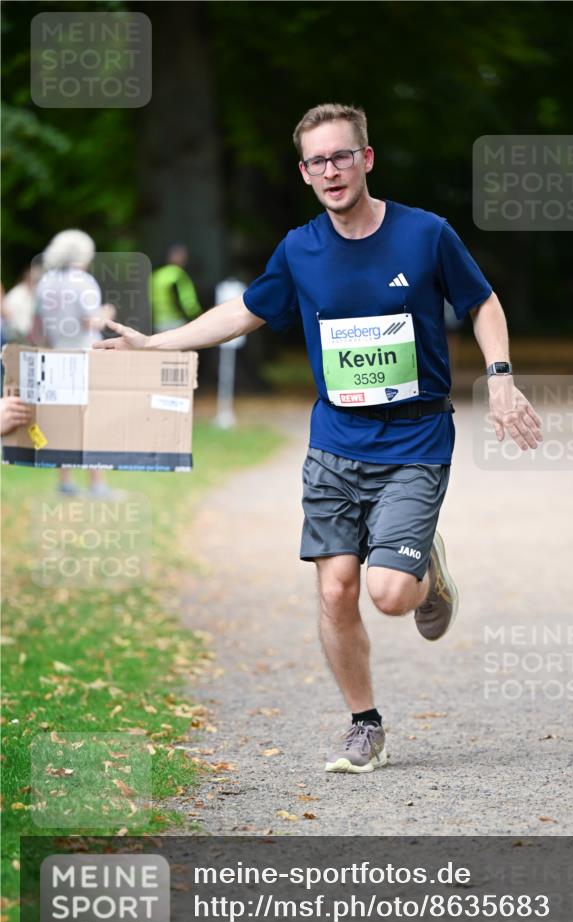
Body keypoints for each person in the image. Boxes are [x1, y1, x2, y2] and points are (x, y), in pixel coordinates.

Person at [95, 103, 542, 773]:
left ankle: (425, 569)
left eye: (340, 156)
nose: (330, 171)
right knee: (335, 588)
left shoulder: (425, 235)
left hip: (414, 441)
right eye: (315, 162)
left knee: (389, 594)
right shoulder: (299, 250)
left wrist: (501, 377)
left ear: (365, 158)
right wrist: (156, 343)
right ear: (303, 174)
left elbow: (481, 301)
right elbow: (243, 311)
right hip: (335, 443)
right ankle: (363, 724)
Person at [33, 229, 116, 496]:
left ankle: (65, 480)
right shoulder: (84, 282)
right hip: (85, 355)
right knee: (91, 420)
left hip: (56, 355)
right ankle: (97, 483)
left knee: (63, 421)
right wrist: (108, 312)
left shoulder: (45, 282)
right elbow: (91, 321)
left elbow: (38, 327)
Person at [150, 244, 202, 333]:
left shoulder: (156, 275)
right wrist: (198, 317)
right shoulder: (178, 274)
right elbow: (188, 301)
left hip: (158, 323)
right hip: (177, 321)